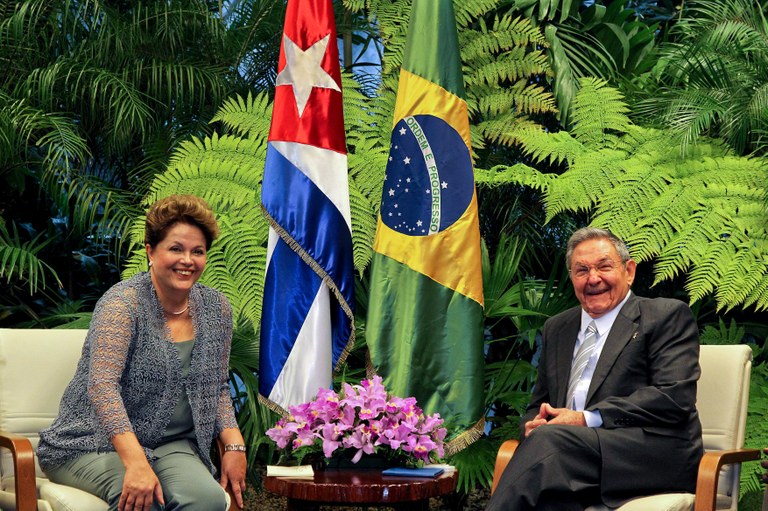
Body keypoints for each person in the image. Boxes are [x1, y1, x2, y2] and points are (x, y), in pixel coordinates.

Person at [37, 194, 247, 511]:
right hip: (90, 443)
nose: (187, 260)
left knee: (207, 501)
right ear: (151, 251)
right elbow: (102, 387)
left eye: (197, 251)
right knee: (143, 501)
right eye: (176, 248)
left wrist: (234, 445)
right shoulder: (122, 304)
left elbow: (216, 386)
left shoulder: (216, 308)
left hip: (171, 444)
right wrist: (136, 463)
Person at [486, 227, 703, 510]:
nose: (593, 278)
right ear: (572, 278)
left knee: (550, 444)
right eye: (582, 270)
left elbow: (673, 398)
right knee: (549, 491)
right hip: (567, 459)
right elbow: (538, 404)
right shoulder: (558, 327)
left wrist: (588, 418)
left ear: (629, 271)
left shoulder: (664, 315)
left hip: (645, 454)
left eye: (604, 266)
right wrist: (532, 423)